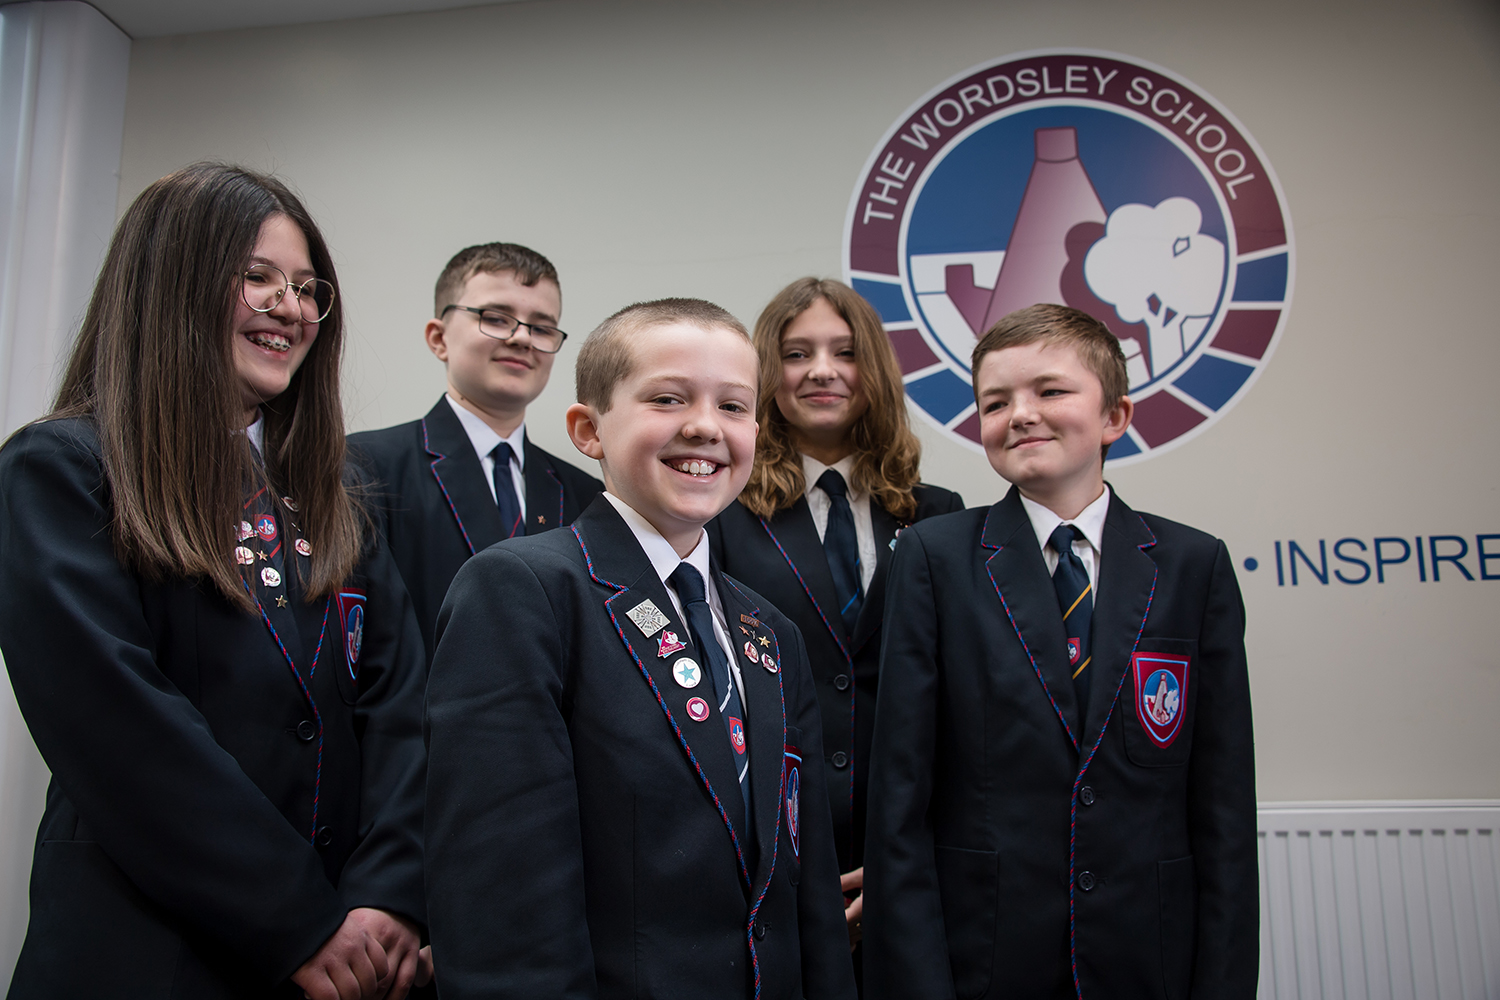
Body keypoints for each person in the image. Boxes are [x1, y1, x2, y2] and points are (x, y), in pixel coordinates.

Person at [0, 163, 432, 1000]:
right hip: (150, 954)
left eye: (308, 288)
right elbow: (121, 732)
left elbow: (405, 707)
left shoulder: (335, 497)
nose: (292, 307)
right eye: (258, 277)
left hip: (349, 952)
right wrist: (299, 921)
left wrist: (389, 893)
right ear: (172, 285)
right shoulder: (62, 471)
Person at [424, 299, 857, 1000]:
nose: (703, 427)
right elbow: (500, 892)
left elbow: (803, 884)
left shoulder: (767, 633)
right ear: (588, 430)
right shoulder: (524, 591)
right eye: (667, 398)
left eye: (733, 406)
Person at [863, 304, 1257, 999]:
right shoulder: (934, 558)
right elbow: (901, 801)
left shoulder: (1194, 566)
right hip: (985, 953)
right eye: (995, 401)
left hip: (1149, 954)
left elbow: (1223, 807)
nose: (1020, 413)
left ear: (1115, 417)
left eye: (1049, 391)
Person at [707, 278, 963, 959]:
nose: (821, 369)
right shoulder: (720, 516)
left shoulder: (937, 513)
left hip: (905, 845)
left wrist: (904, 856)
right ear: (767, 374)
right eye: (796, 353)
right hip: (772, 842)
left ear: (872, 370)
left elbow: (957, 704)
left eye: (844, 352)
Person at [348, 243, 603, 663]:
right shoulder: (365, 467)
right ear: (439, 338)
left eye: (541, 328)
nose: (522, 337)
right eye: (496, 318)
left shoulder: (584, 493)